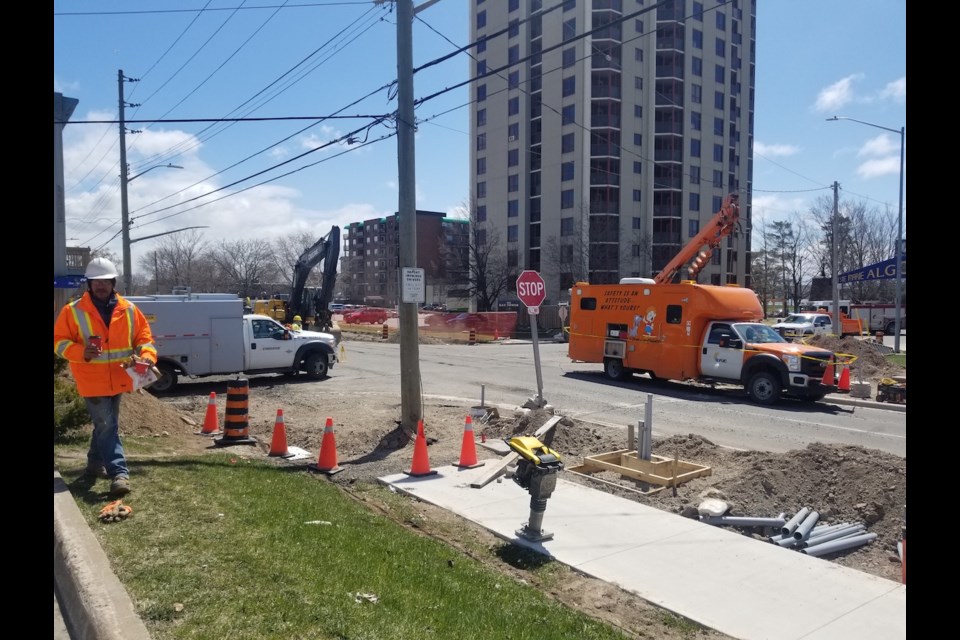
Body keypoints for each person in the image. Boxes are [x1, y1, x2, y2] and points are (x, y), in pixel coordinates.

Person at [53, 257, 158, 497]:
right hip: (91, 380)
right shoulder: (73, 310)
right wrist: (82, 352)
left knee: (105, 426)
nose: (100, 286)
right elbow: (58, 342)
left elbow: (144, 338)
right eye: (95, 282)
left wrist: (148, 356)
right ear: (89, 284)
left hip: (119, 379)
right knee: (107, 425)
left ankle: (93, 464)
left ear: (113, 283)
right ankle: (119, 473)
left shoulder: (129, 310)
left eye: (105, 281)